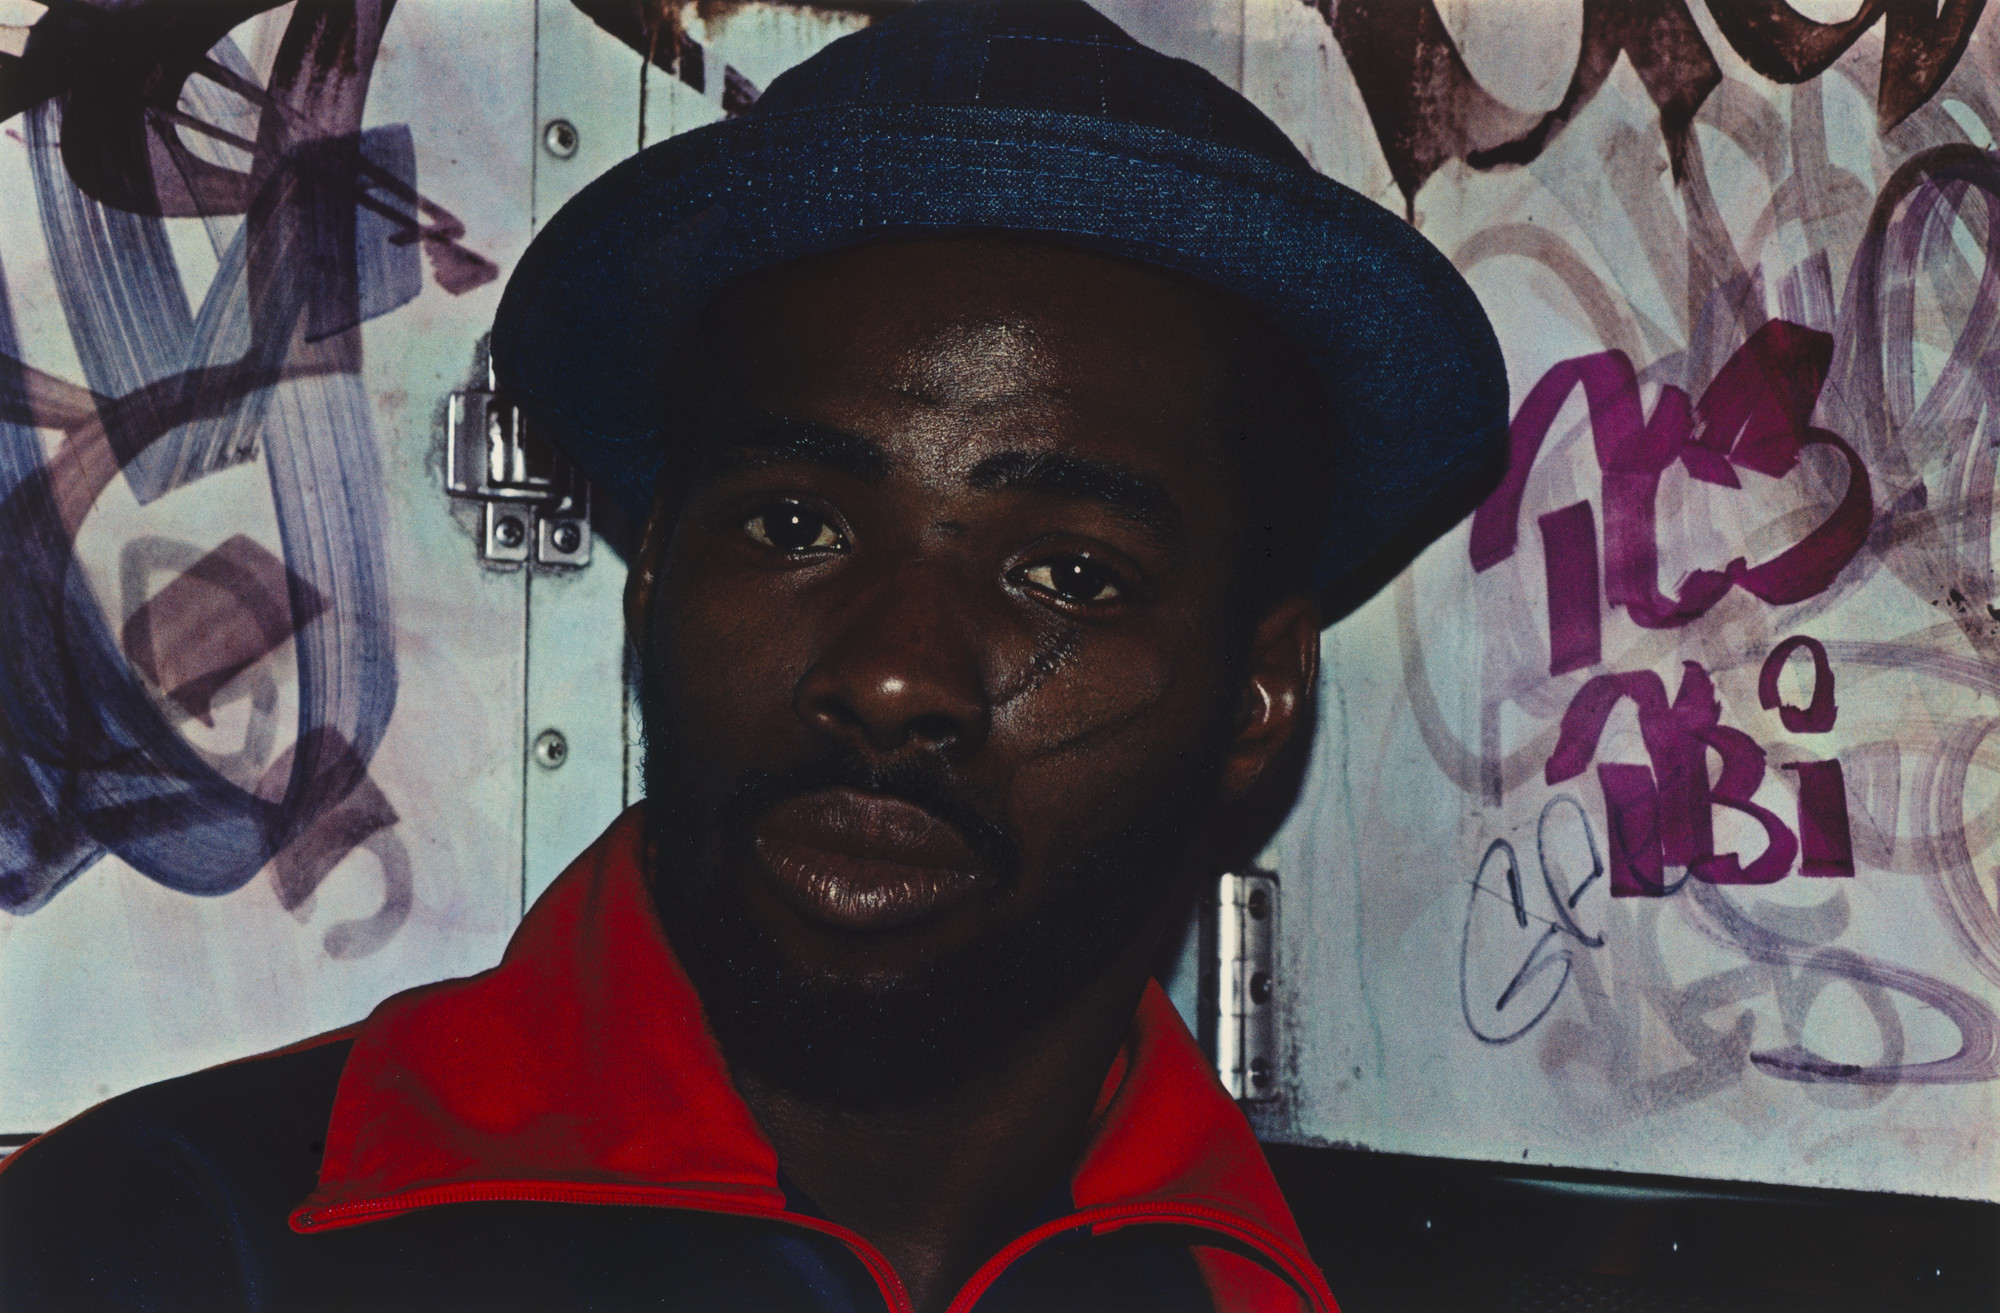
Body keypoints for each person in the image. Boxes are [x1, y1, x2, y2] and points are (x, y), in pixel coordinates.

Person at [0, 2, 1505, 1309]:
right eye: (795, 522)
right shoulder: (180, 1246)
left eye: (1067, 571)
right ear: (654, 574)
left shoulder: (1306, 1289)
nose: (894, 671)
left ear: (1259, 696)